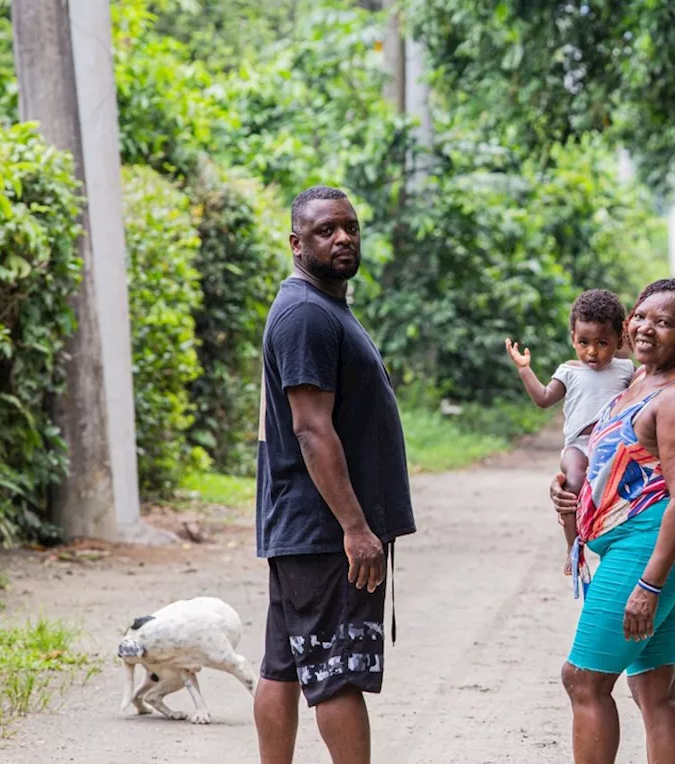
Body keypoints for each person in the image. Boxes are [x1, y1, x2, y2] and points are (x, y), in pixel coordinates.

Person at [253, 185, 416, 764]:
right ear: (297, 243)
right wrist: (355, 527)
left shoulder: (322, 308)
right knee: (336, 671)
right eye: (326, 230)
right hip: (324, 533)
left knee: (287, 662)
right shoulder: (305, 315)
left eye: (349, 226)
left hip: (303, 527)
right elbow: (309, 429)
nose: (343, 237)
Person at [548, 278, 675, 764]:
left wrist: (649, 583)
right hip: (650, 545)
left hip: (651, 547)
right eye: (641, 316)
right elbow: (612, 459)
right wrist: (570, 492)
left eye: (664, 322)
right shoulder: (639, 381)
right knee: (653, 689)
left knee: (583, 680)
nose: (646, 328)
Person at [505, 289, 636, 584]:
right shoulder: (568, 371)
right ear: (573, 338)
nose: (592, 352)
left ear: (619, 340)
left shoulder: (627, 370)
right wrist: (525, 370)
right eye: (583, 342)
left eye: (602, 343)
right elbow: (543, 398)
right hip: (578, 445)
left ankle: (614, 541)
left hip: (613, 445)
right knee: (573, 483)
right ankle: (572, 546)